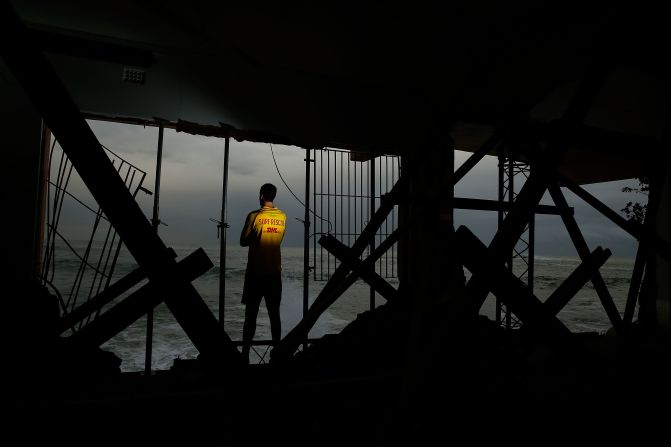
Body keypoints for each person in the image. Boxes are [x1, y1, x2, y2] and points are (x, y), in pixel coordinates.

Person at [240, 183, 287, 364]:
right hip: (274, 273)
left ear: (261, 195)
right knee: (274, 315)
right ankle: (277, 352)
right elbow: (278, 240)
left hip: (256, 273)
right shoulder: (283, 217)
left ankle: (244, 355)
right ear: (273, 196)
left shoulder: (254, 216)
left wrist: (256, 236)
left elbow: (243, 241)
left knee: (250, 316)